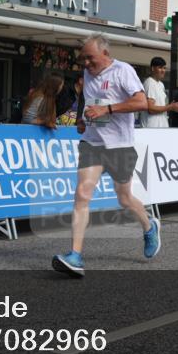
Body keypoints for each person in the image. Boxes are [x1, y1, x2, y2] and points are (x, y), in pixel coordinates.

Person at [52, 34, 160, 277]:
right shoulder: (88, 74)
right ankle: (75, 255)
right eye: (83, 60)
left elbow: (142, 103)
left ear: (105, 54)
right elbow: (88, 99)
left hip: (120, 145)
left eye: (90, 59)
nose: (86, 64)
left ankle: (149, 226)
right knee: (81, 194)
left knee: (124, 198)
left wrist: (108, 109)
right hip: (92, 143)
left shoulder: (123, 71)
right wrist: (83, 119)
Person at [140, 57, 178, 128]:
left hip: (161, 128)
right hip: (151, 129)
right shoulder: (150, 83)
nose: (163, 70)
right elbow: (151, 109)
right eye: (160, 67)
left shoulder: (161, 84)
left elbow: (162, 107)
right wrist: (170, 107)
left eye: (164, 68)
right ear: (153, 68)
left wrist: (172, 107)